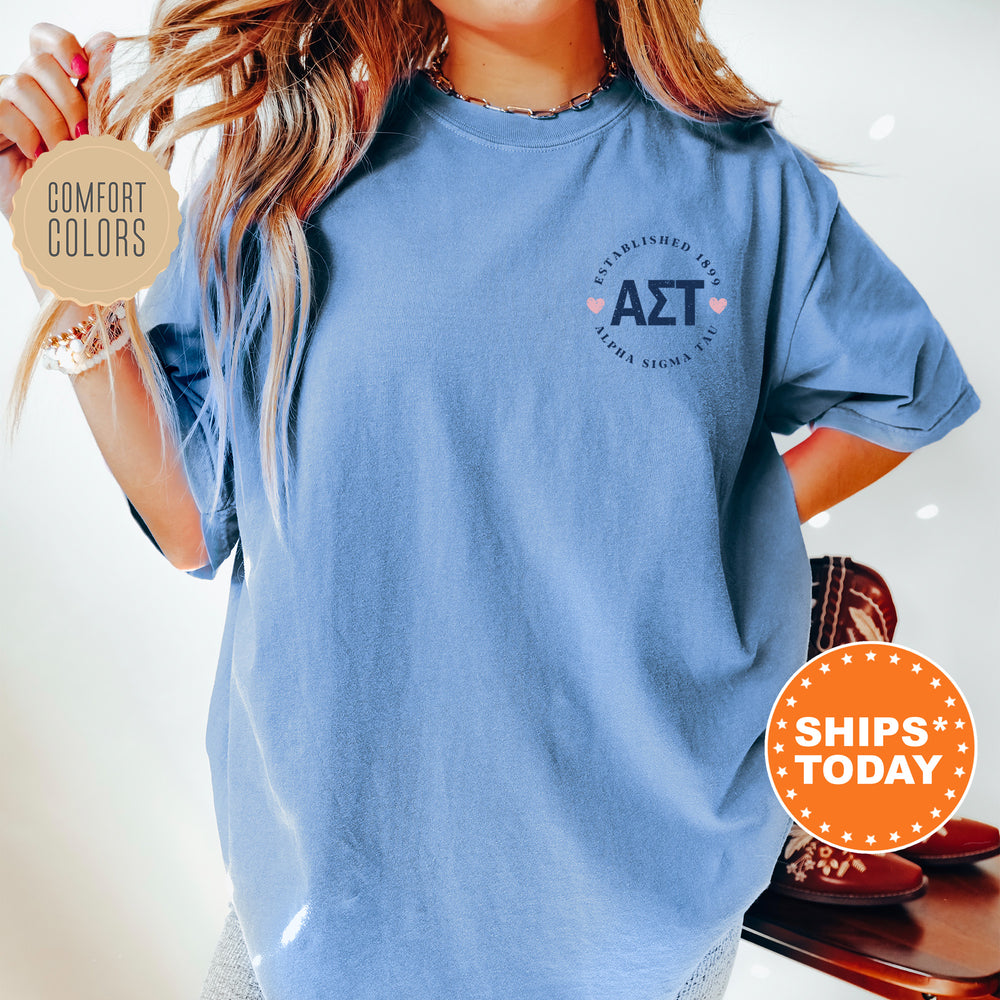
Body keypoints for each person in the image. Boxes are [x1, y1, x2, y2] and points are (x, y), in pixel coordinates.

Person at [0, 2, 980, 998]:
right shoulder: (287, 175)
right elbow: (189, 521)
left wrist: (706, 520)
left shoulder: (741, 182)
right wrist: (76, 277)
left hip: (635, 909)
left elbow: (896, 394)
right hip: (321, 912)